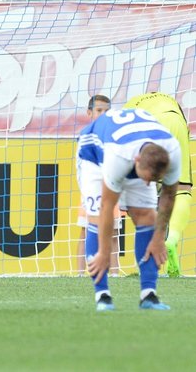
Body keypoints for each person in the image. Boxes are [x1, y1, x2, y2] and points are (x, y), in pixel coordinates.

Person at [79, 107, 181, 311]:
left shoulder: (172, 152)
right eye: (146, 179)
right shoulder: (119, 156)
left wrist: (159, 238)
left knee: (147, 217)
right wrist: (105, 252)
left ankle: (149, 295)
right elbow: (107, 206)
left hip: (132, 150)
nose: (148, 184)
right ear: (136, 162)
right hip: (94, 155)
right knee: (96, 218)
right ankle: (103, 296)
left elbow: (169, 195)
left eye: (154, 181)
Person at [124, 92, 192, 277]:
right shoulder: (172, 104)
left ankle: (146, 261)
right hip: (175, 122)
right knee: (182, 189)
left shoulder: (128, 109)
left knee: (142, 193)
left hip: (142, 129)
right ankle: (172, 238)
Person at [74, 95, 122, 275]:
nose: (103, 114)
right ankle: (79, 273)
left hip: (112, 190)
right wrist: (84, 189)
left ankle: (115, 273)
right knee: (86, 231)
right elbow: (79, 164)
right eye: (99, 110)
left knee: (114, 234)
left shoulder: (114, 135)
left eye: (106, 111)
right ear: (89, 112)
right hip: (90, 191)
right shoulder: (85, 135)